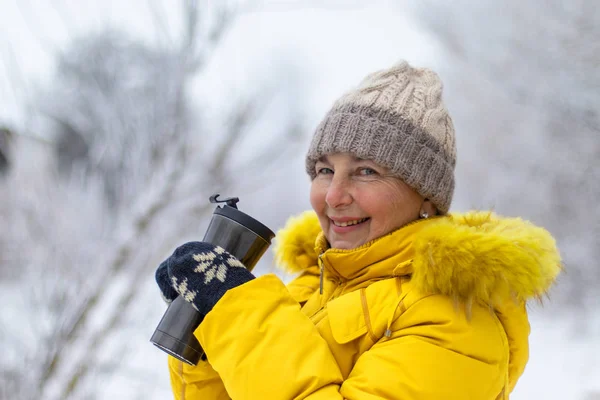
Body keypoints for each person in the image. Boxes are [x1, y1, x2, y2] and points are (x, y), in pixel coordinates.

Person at [155, 60, 561, 399]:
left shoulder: (459, 319)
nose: (333, 196)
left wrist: (240, 315)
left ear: (426, 197)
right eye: (324, 170)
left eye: (366, 171)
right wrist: (208, 326)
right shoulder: (309, 287)